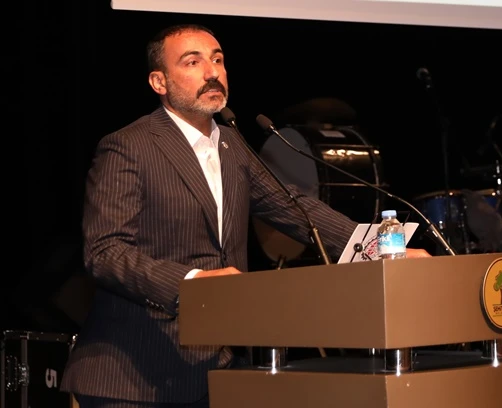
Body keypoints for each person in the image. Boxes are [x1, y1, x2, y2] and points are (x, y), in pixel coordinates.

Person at [61, 23, 430, 407]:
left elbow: (296, 208)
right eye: (193, 62)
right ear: (159, 82)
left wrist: (381, 248)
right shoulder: (128, 146)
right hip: (134, 376)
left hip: (217, 368)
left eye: (218, 60)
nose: (212, 72)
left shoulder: (232, 144)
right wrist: (193, 283)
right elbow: (105, 253)